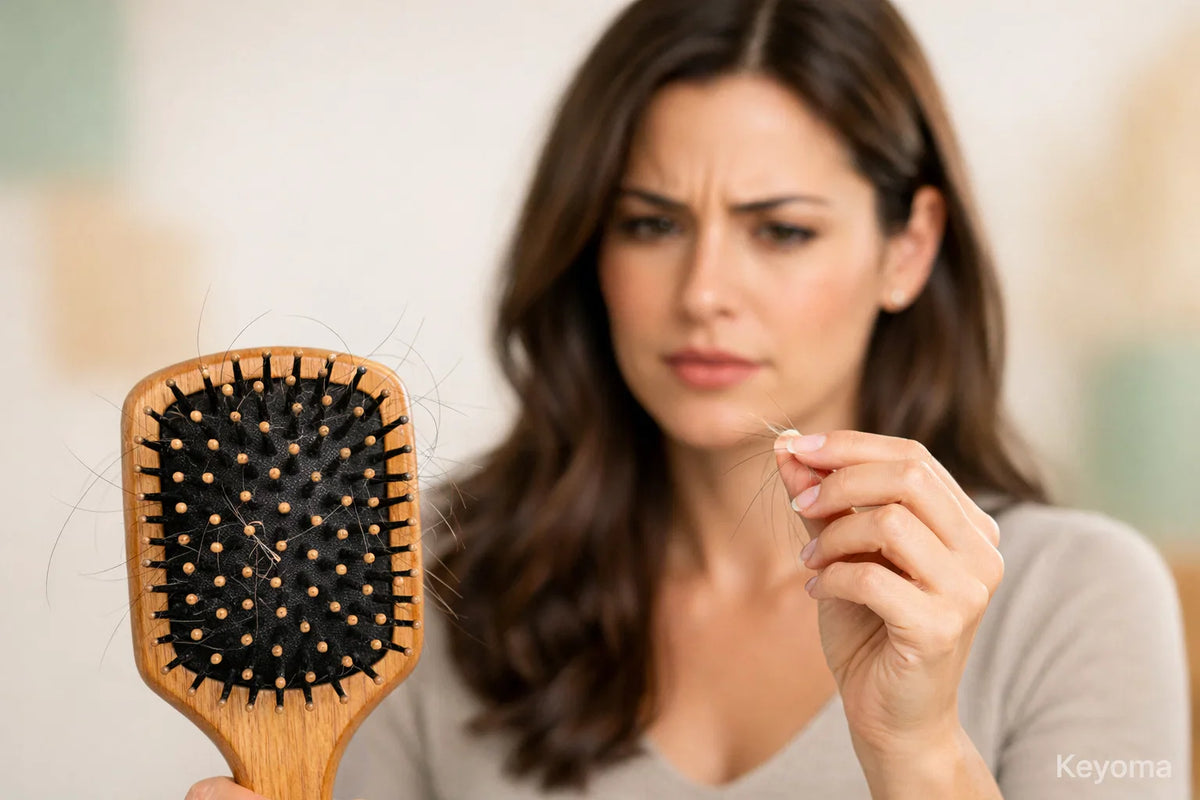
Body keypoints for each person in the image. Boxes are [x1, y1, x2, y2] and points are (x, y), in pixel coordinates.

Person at [189, 0, 1190, 797]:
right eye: (652, 224)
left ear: (908, 247)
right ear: (591, 247)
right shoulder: (439, 583)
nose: (704, 290)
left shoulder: (1079, 598)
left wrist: (920, 751)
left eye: (782, 230)